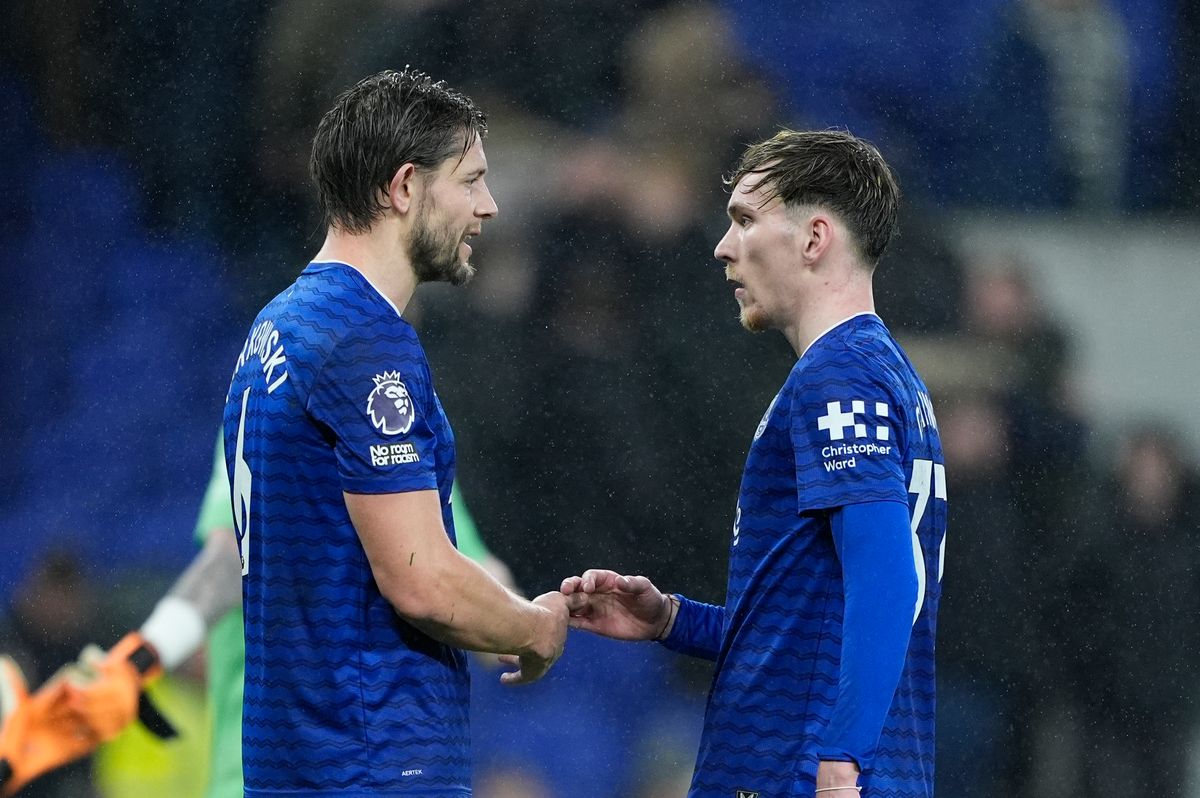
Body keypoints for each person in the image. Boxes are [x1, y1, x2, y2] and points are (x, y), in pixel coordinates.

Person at [562, 130, 947, 797]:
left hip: (795, 773)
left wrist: (841, 761)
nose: (723, 246)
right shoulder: (885, 376)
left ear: (814, 238)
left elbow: (886, 578)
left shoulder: (840, 379)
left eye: (745, 220)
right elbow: (811, 619)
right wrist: (673, 620)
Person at [223, 68, 572, 797]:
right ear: (405, 187)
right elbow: (417, 579)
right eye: (471, 181)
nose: (489, 206)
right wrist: (534, 629)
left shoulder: (276, 328)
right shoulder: (365, 342)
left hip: (290, 756)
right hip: (374, 759)